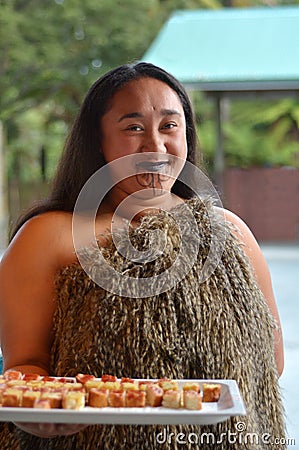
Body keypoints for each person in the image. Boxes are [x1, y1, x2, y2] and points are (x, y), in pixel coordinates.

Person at [0, 62, 285, 449]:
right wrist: (40, 411)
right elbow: (25, 365)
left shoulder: (231, 232)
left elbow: (272, 363)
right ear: (98, 141)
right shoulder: (47, 236)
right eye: (133, 128)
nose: (155, 146)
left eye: (169, 126)